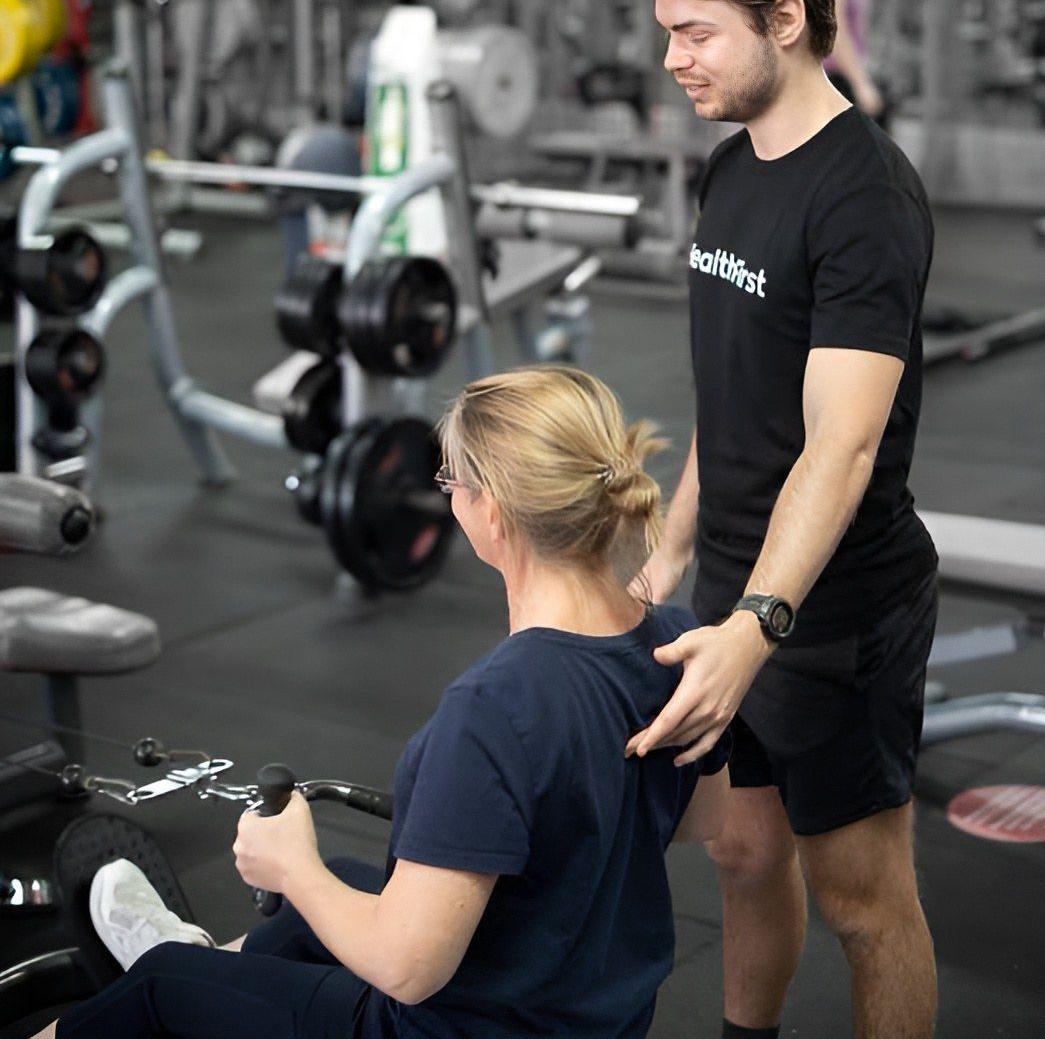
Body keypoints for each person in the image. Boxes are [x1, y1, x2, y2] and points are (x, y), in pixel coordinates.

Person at [36, 365, 731, 1039]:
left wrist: (290, 867)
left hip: (458, 1026)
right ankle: (208, 960)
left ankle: (179, 967)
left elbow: (408, 970)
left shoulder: (495, 707)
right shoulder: (679, 644)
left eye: (451, 481)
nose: (449, 496)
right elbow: (705, 816)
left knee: (161, 985)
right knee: (338, 887)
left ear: (490, 509)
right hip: (597, 1009)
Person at [629, 0, 939, 1039]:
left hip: (834, 607)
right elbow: (738, 384)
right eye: (669, 29)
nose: (673, 59)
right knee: (747, 855)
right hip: (732, 578)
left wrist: (758, 625)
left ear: (789, 19)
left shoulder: (864, 198)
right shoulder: (735, 162)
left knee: (864, 902)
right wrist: (673, 539)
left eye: (695, 30)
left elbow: (842, 446)